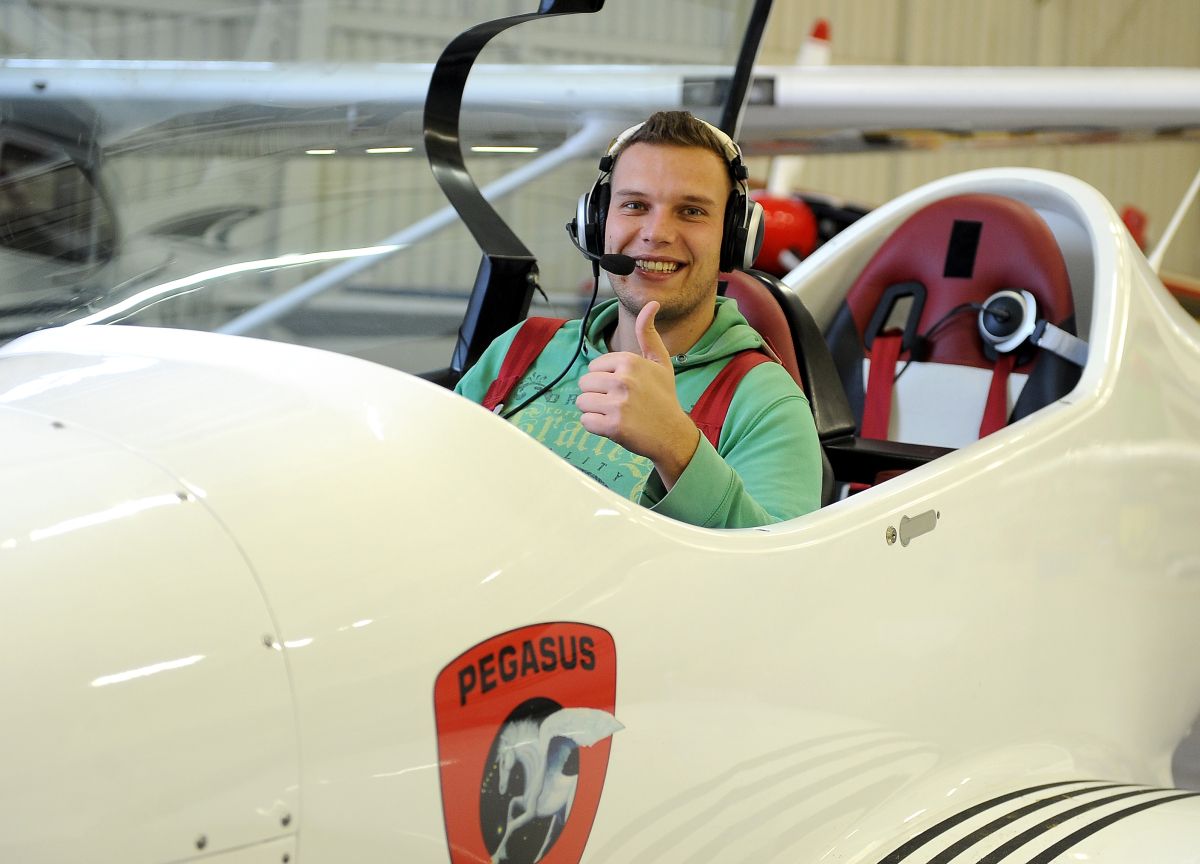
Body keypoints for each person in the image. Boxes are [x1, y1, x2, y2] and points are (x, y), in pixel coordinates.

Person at [455, 111, 822, 528]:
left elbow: (779, 563)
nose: (656, 233)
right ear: (597, 223)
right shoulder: (521, 348)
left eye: (691, 211)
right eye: (635, 205)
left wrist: (676, 445)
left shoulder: (765, 403)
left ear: (733, 237)